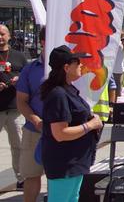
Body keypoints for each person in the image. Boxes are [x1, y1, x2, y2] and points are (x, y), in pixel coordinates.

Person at [40, 45, 103, 201]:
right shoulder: (58, 94)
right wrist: (90, 125)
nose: (81, 65)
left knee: (72, 198)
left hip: (74, 161)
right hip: (64, 163)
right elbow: (60, 134)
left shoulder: (67, 89)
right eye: (77, 63)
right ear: (66, 67)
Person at [16, 28, 46, 202]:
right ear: (42, 42)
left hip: (62, 132)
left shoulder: (70, 67)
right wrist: (35, 120)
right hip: (34, 131)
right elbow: (21, 101)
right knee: (32, 175)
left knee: (58, 177)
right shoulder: (30, 69)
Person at [0, 24, 28, 189]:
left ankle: (21, 178)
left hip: (15, 108)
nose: (0, 37)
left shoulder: (19, 56)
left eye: (3, 34)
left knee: (18, 144)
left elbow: (27, 76)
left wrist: (19, 80)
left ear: (9, 36)